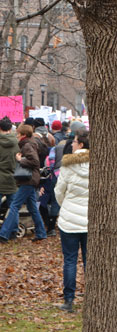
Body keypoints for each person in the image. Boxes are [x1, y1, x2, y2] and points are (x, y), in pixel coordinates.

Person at [54, 128, 90, 312]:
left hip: (69, 219)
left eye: (75, 142)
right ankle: (93, 298)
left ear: (81, 144)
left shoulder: (68, 165)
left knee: (70, 260)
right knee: (90, 260)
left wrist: (65, 204)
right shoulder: (101, 164)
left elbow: (59, 191)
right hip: (91, 219)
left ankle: (69, 300)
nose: (72, 144)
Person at [0, 123, 47, 243]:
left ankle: (4, 234)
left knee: (15, 206)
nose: (16, 135)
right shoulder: (30, 143)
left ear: (23, 135)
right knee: (32, 208)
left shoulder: (26, 146)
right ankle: (41, 232)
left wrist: (21, 160)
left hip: (28, 180)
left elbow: (35, 162)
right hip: (30, 180)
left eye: (18, 133)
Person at [0, 117, 19, 216]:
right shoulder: (16, 143)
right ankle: (14, 229)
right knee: (13, 209)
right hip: (12, 178)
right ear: (10, 128)